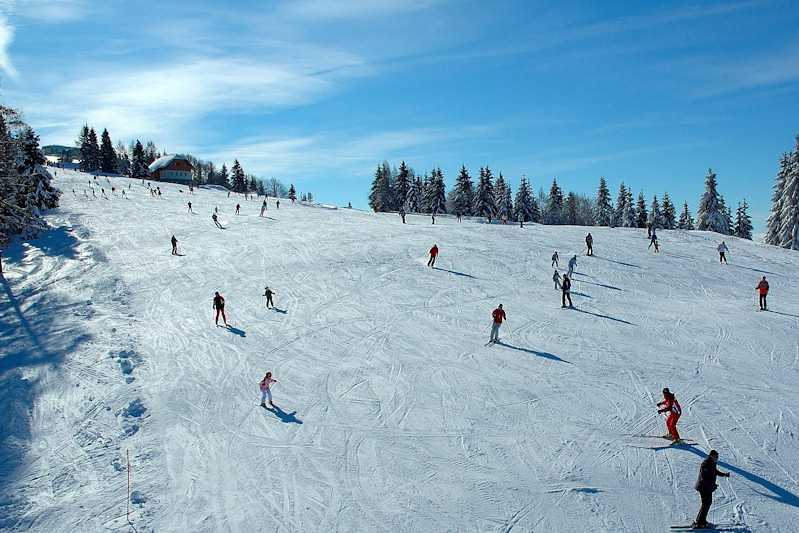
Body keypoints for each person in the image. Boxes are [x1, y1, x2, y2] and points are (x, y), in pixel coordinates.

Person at [692, 450, 730, 529]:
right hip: (703, 487)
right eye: (715, 457)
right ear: (711, 456)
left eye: (717, 457)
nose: (716, 458)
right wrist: (712, 485)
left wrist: (723, 474)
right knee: (706, 504)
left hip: (707, 488)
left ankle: (701, 520)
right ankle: (700, 523)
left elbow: (715, 471)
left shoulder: (712, 463)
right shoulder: (706, 464)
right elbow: (703, 479)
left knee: (706, 504)